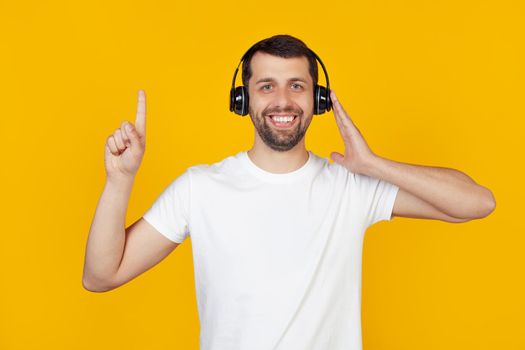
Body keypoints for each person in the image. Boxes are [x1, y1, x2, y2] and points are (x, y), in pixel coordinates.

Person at [82, 34, 496, 350]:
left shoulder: (350, 187)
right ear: (242, 99)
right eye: (266, 86)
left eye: (297, 86)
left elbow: (478, 202)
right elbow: (101, 276)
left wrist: (373, 164)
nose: (283, 100)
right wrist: (120, 181)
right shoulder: (200, 188)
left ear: (317, 99)